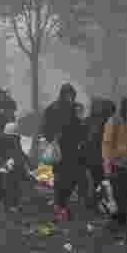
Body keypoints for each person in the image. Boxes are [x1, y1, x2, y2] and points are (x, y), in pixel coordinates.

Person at [41, 83, 85, 222]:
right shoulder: (53, 109)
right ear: (62, 95)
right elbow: (46, 128)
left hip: (72, 149)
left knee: (71, 178)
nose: (70, 98)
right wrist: (52, 138)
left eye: (72, 95)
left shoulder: (75, 108)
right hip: (60, 149)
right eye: (68, 95)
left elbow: (79, 127)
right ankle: (61, 207)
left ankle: (61, 205)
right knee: (61, 179)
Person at [103, 96, 127, 242]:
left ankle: (119, 225)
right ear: (125, 111)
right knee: (119, 198)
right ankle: (119, 226)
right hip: (117, 166)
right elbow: (106, 145)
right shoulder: (113, 122)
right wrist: (107, 166)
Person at [82, 99, 114, 209]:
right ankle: (95, 203)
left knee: (96, 182)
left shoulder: (90, 120)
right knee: (99, 181)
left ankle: (93, 202)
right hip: (98, 157)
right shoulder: (104, 122)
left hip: (93, 157)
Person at [0, 121, 31, 212]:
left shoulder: (6, 139)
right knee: (10, 186)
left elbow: (19, 152)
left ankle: (9, 203)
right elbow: (18, 152)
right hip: (8, 166)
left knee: (10, 186)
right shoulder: (11, 139)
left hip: (10, 166)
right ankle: (10, 204)